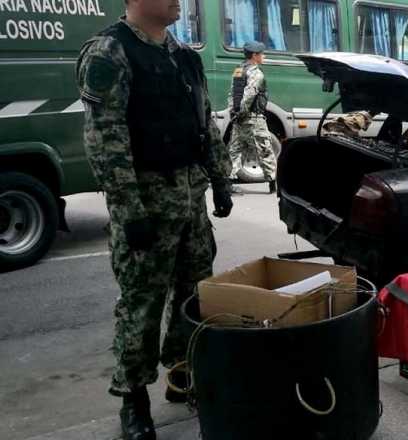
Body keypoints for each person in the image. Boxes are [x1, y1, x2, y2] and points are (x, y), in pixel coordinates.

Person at [76, 0, 233, 438]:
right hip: (146, 203)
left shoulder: (184, 56)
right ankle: (132, 399)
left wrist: (220, 180)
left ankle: (182, 375)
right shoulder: (110, 52)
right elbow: (106, 139)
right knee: (142, 304)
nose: (178, 1)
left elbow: (206, 122)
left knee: (194, 296)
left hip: (189, 198)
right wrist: (129, 212)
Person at [228, 41, 277, 194]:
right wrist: (241, 112)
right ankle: (273, 183)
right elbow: (249, 95)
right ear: (255, 56)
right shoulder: (256, 73)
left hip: (238, 119)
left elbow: (232, 93)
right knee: (265, 150)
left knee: (235, 150)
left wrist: (234, 113)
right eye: (262, 54)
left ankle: (227, 184)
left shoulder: (238, 70)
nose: (264, 56)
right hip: (254, 120)